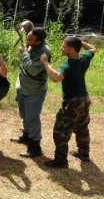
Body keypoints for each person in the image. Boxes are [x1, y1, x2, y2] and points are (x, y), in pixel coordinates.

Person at [40, 37, 96, 168]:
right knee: (82, 127)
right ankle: (84, 153)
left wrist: (45, 62)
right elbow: (93, 49)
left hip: (73, 102)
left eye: (64, 46)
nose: (61, 48)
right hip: (85, 99)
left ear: (71, 49)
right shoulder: (84, 58)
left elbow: (55, 77)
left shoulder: (68, 65)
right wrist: (80, 42)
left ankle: (61, 160)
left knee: (60, 131)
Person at [10, 27, 51, 157]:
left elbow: (33, 69)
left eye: (30, 39)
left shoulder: (44, 52)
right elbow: (29, 26)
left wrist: (24, 54)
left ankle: (34, 147)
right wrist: (25, 25)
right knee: (24, 115)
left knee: (32, 118)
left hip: (35, 90)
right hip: (22, 88)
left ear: (38, 42)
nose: (27, 40)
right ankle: (26, 137)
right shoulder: (32, 41)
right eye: (27, 36)